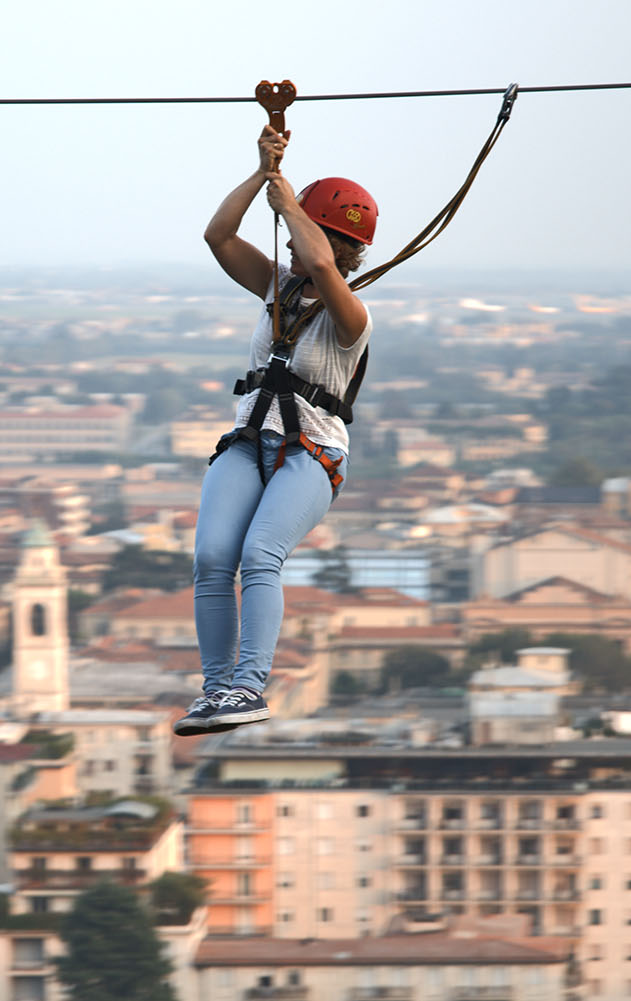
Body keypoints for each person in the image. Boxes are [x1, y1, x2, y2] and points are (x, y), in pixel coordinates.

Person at [173, 125, 377, 737]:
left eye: (302, 231)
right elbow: (218, 236)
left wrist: (288, 202)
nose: (289, 242)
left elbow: (319, 262)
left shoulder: (352, 317)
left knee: (260, 554)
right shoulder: (275, 289)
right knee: (213, 558)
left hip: (312, 453)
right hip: (248, 441)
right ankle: (217, 690)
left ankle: (248, 686)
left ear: (332, 241)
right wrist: (264, 173)